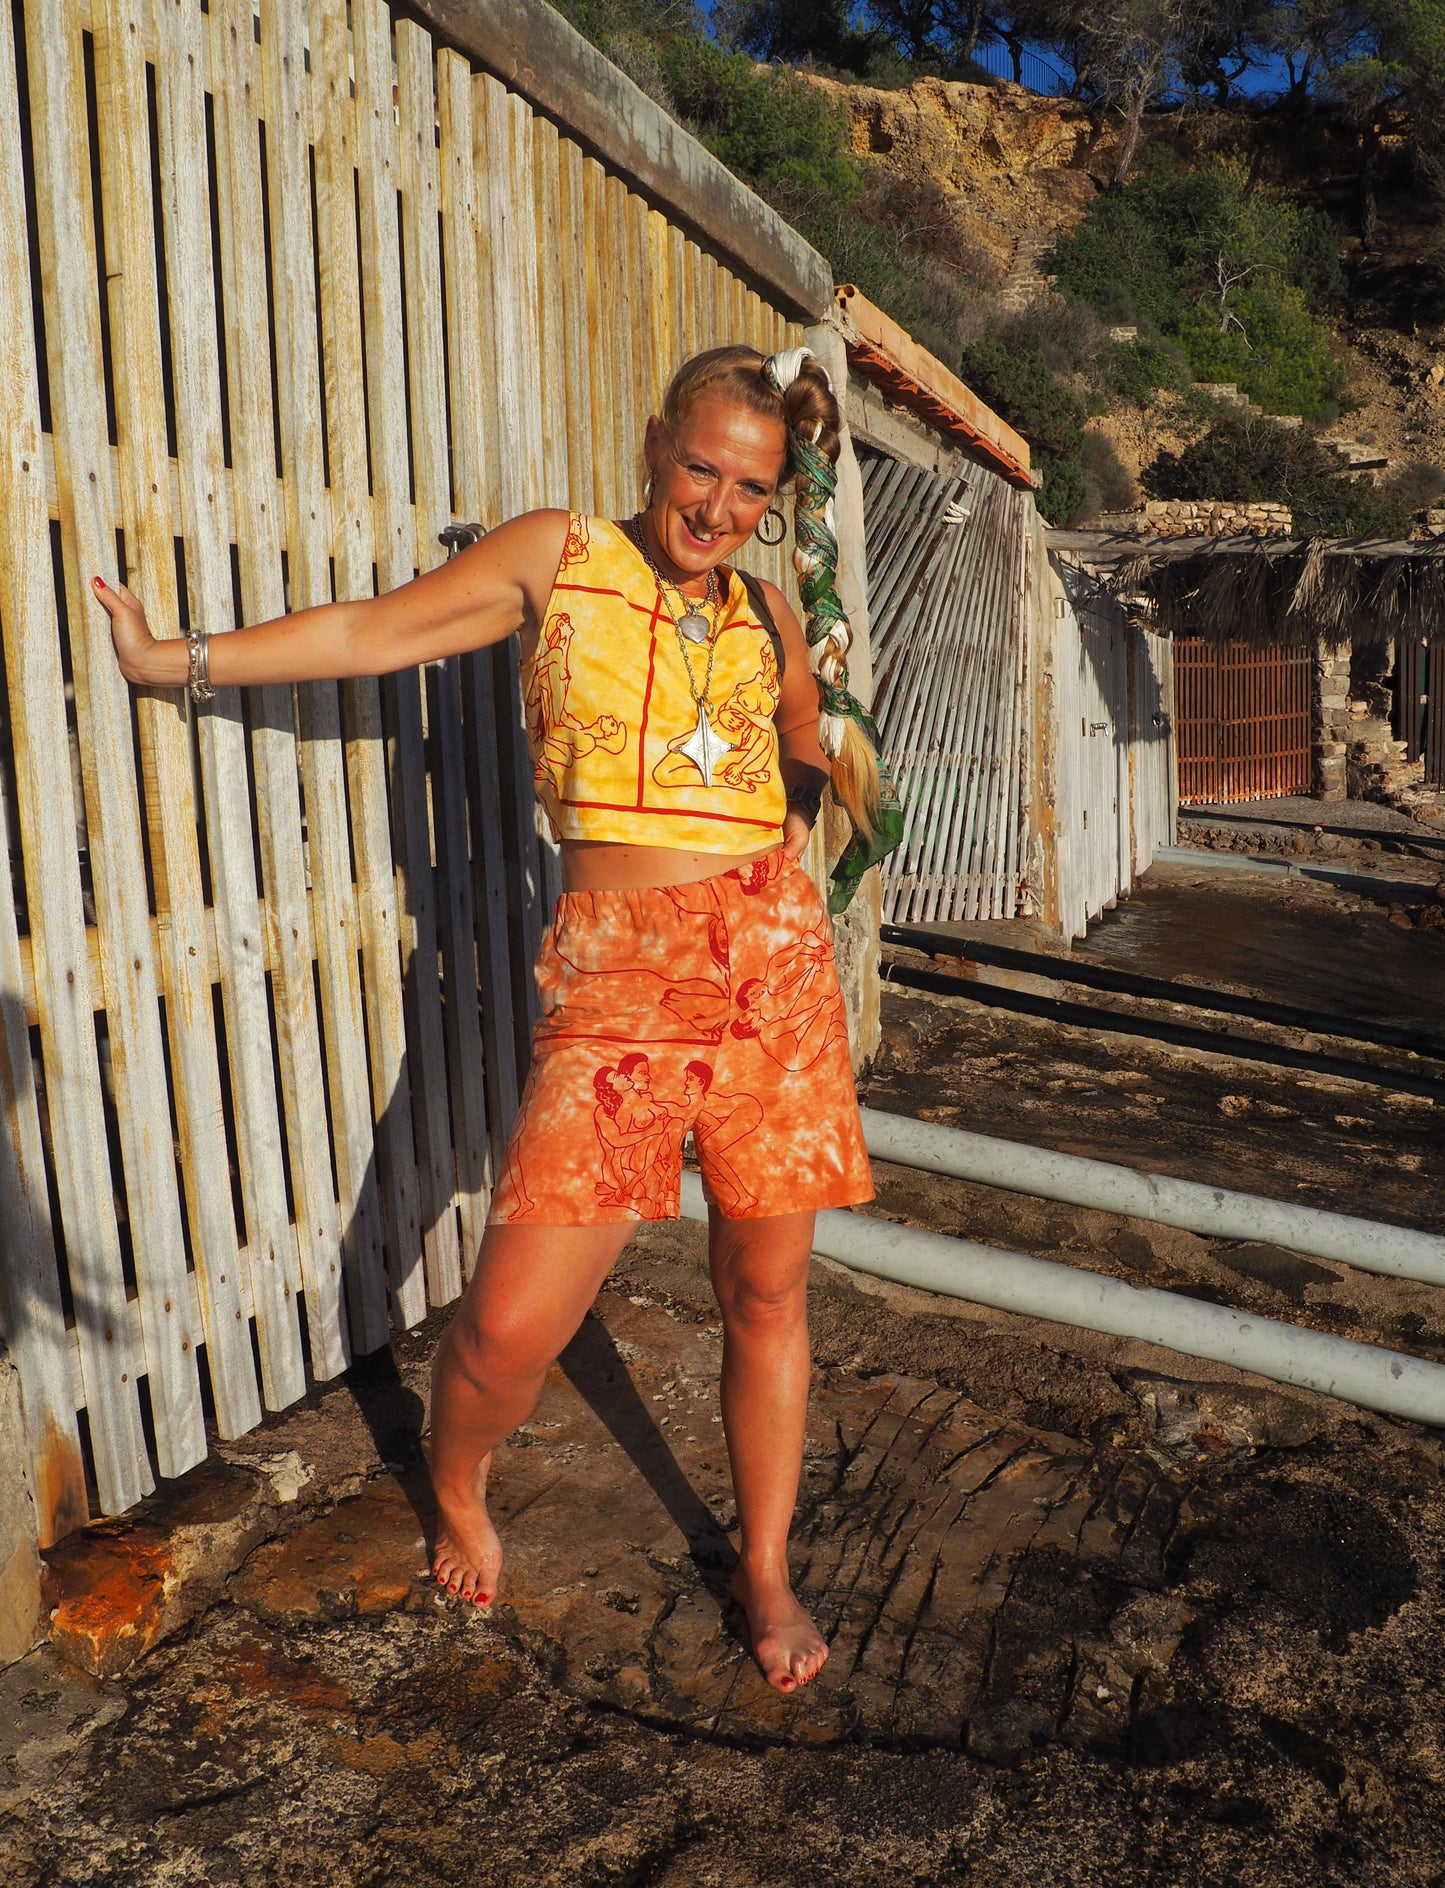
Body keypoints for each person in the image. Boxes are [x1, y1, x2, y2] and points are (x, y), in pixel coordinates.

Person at [94, 343, 881, 1694]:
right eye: (700, 466)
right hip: (620, 972)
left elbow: (807, 729)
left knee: (764, 1289)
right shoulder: (556, 558)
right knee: (513, 1321)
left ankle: (761, 1564)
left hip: (771, 969)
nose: (716, 505)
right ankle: (457, 1484)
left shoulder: (768, 610)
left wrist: (802, 826)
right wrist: (180, 660)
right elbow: (374, 629)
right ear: (653, 442)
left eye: (749, 486)